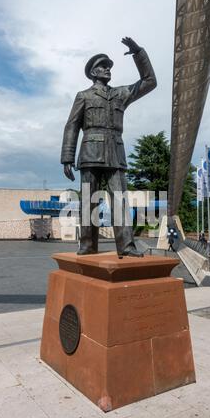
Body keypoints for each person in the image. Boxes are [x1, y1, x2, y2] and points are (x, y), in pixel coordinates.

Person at [61, 37, 157, 256]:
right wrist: (67, 157)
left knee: (120, 201)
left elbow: (150, 81)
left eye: (108, 67)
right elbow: (72, 126)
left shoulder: (120, 94)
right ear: (93, 72)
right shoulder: (83, 96)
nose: (107, 69)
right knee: (88, 201)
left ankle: (127, 246)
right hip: (90, 152)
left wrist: (138, 53)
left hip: (115, 151)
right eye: (103, 67)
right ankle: (87, 246)